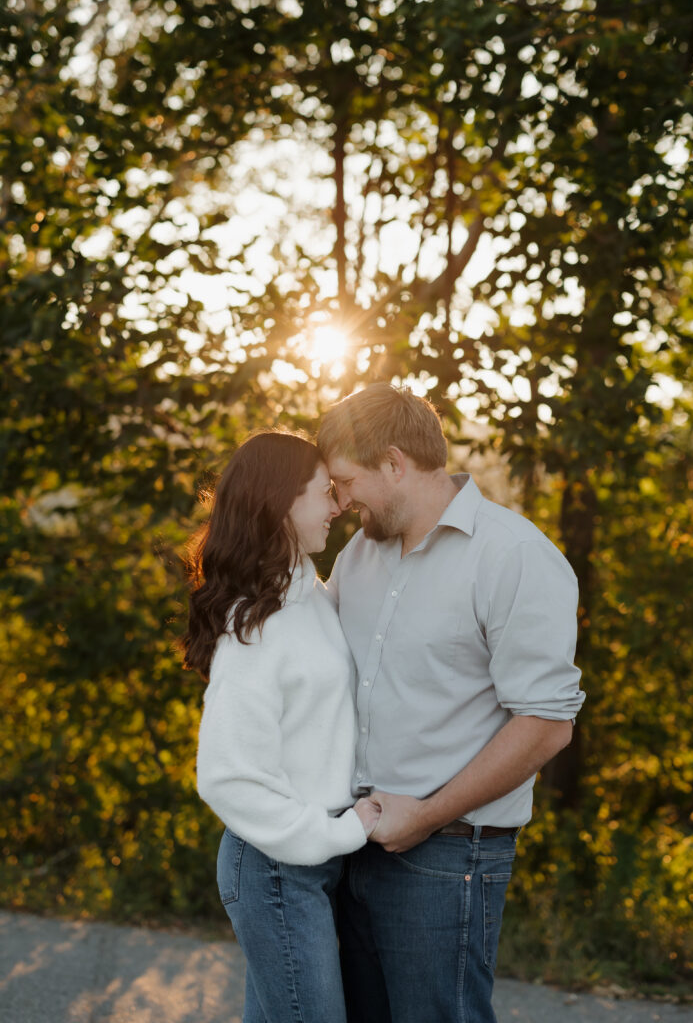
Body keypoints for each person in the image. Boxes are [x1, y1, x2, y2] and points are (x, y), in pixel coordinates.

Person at [317, 383, 585, 1023]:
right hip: (353, 843)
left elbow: (546, 726)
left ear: (393, 462)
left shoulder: (514, 555)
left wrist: (428, 815)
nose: (340, 500)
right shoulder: (360, 552)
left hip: (448, 858)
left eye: (345, 480)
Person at [182, 431, 381, 1023]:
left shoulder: (308, 596)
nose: (338, 506)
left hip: (307, 863)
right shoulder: (258, 622)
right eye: (324, 492)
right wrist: (341, 833)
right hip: (275, 865)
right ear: (282, 500)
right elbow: (226, 776)